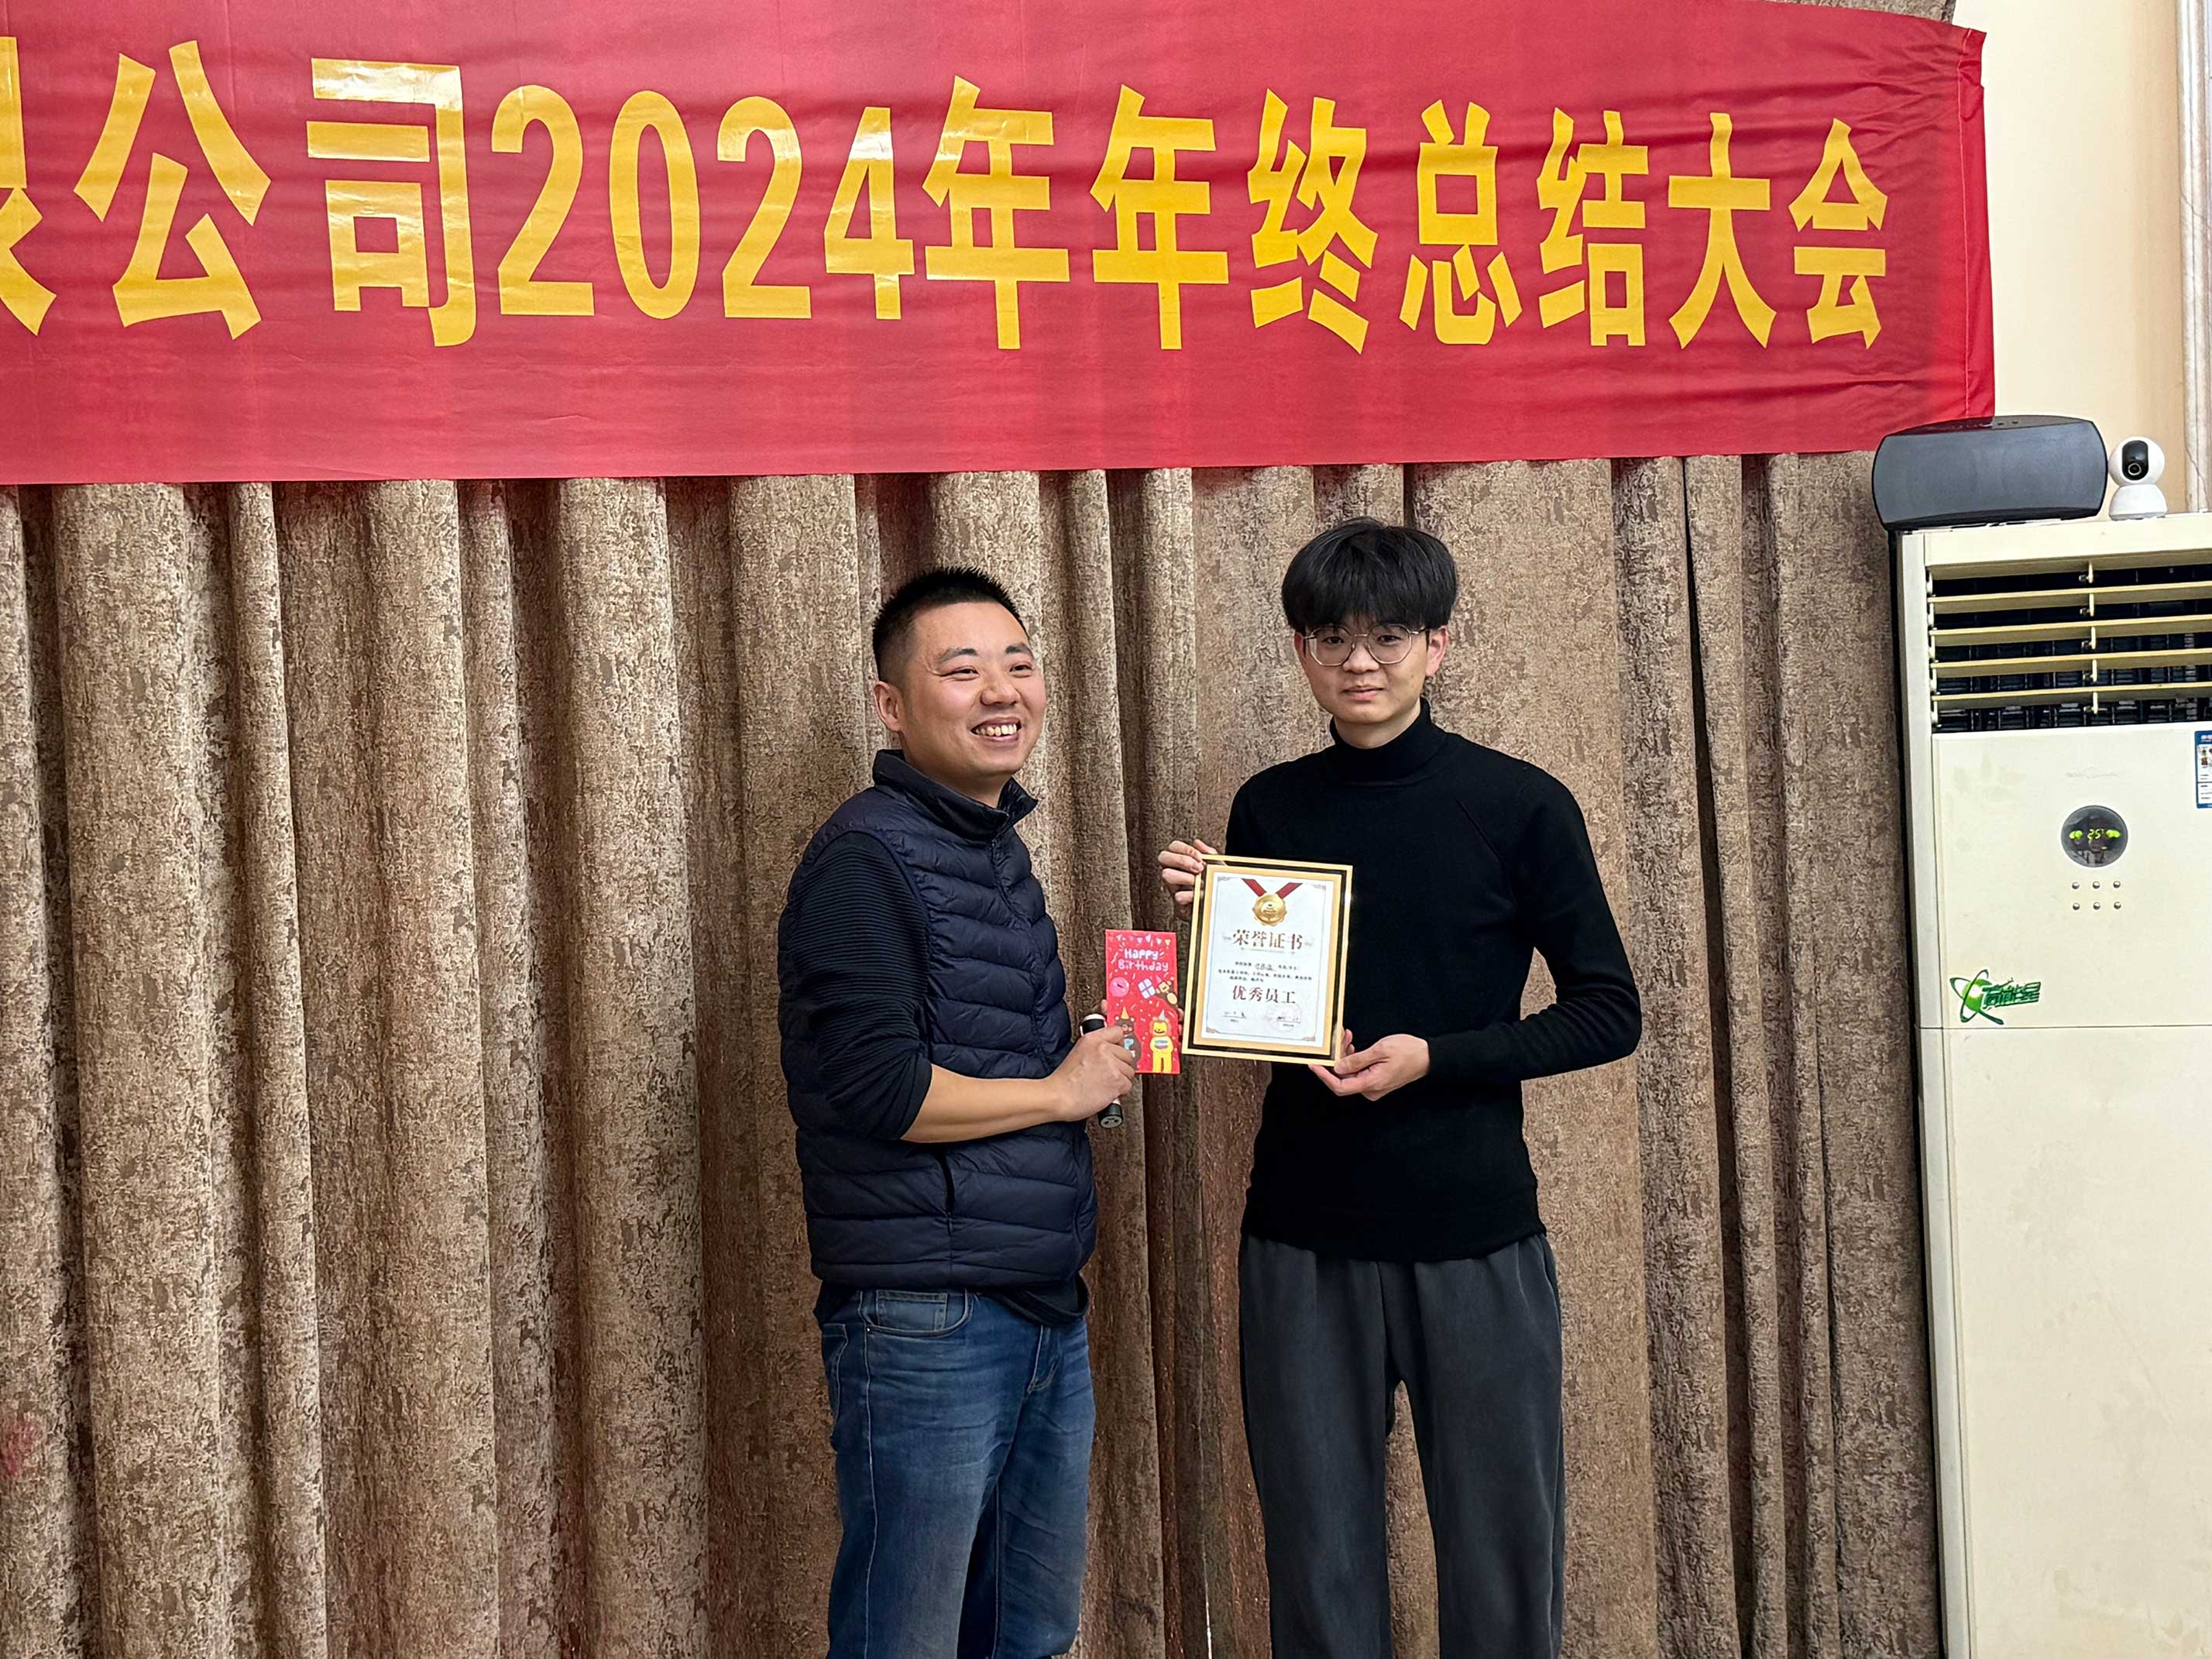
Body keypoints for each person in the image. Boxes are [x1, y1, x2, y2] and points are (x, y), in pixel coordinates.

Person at [1158, 519, 1641, 1659]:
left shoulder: (1521, 805)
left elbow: (1608, 1011)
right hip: (1302, 1232)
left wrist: (1437, 1056)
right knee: (1316, 1558)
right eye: (1333, 637)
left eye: (1388, 636)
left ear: (1439, 645)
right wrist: (1219, 920)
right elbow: (1273, 1009)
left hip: (1474, 1227)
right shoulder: (1270, 806)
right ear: (1301, 650)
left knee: (1503, 1553)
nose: (1360, 661)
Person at [780, 566, 1136, 1658]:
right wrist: (1061, 1090)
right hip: (927, 1317)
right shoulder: (865, 856)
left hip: (1041, 1305)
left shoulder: (993, 848)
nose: (1001, 691)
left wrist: (1081, 1055)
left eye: (1019, 664)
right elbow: (882, 1090)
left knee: (1028, 1633)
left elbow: (978, 1048)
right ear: (891, 705)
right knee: (909, 1638)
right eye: (963, 669)